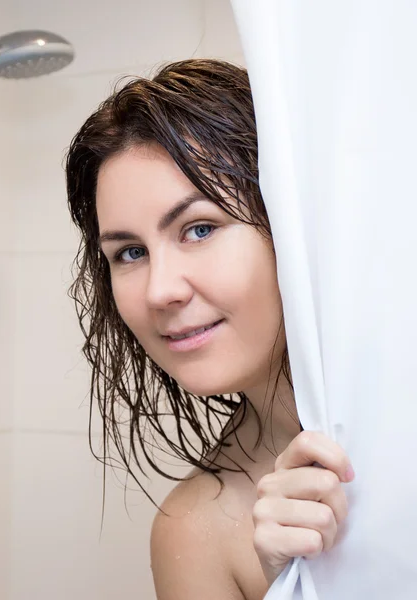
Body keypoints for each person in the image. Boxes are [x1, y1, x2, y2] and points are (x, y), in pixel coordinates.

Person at [64, 59, 355, 599]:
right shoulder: (196, 530)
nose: (159, 290)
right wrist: (292, 584)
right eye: (130, 252)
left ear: (289, 227)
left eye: (199, 228)